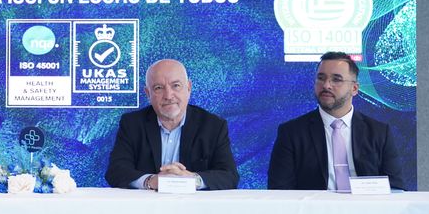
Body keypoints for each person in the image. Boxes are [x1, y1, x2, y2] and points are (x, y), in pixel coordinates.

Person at [267, 51, 405, 191]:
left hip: (365, 204)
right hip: (313, 205)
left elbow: (395, 188)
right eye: (321, 78)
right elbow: (279, 190)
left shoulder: (379, 133)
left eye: (336, 79)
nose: (326, 85)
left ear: (354, 88)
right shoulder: (291, 133)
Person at [105, 59, 239, 190]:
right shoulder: (132, 124)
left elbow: (229, 176)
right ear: (148, 93)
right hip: (146, 203)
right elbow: (116, 171)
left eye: (176, 85)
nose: (168, 96)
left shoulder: (213, 126)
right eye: (158, 88)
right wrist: (150, 181)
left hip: (195, 203)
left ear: (188, 87)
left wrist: (194, 179)